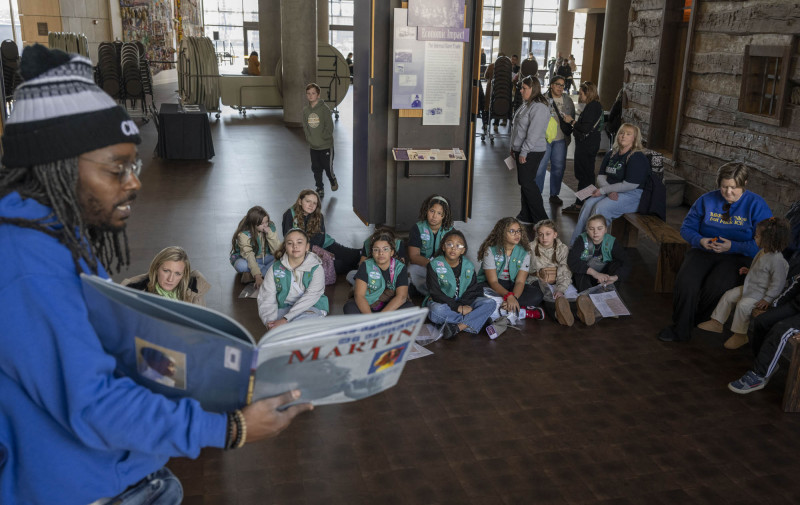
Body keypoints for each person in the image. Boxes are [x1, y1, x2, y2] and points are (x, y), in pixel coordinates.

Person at [0, 45, 311, 504]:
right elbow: (95, 404)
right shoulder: (28, 267)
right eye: (116, 169)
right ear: (57, 169)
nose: (135, 182)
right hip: (83, 488)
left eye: (135, 164)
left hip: (121, 469)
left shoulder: (54, 230)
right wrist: (230, 427)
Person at [658, 162, 773, 342]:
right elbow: (687, 228)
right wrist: (701, 240)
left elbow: (766, 243)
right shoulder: (706, 200)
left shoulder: (757, 205)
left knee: (717, 286)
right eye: (724, 187)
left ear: (745, 184)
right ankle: (680, 328)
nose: (728, 192)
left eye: (734, 188)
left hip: (738, 256)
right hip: (705, 250)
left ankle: (697, 320)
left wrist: (733, 246)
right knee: (686, 282)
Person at [698, 217, 789, 349]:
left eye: (757, 236)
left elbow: (778, 283)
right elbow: (760, 269)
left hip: (761, 294)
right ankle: (717, 321)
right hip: (750, 286)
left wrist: (768, 299)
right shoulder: (763, 252)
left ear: (770, 240)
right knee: (729, 295)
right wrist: (750, 271)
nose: (755, 238)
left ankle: (740, 335)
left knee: (743, 306)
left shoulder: (777, 261)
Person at [570, 123, 650, 244]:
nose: (623, 136)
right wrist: (608, 190)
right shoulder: (611, 154)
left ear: (634, 139)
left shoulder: (637, 157)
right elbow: (601, 178)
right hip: (612, 190)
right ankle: (576, 245)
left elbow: (630, 184)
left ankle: (593, 250)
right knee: (588, 205)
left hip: (632, 194)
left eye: (628, 134)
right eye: (622, 133)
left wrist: (603, 191)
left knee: (601, 208)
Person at [728, 259, 800, 393]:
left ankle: (759, 374)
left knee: (780, 329)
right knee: (762, 320)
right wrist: (775, 305)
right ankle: (764, 362)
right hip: (795, 305)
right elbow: (796, 285)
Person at [425, 230, 496, 339]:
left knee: (490, 303)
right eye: (449, 244)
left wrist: (463, 306)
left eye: (458, 245)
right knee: (435, 312)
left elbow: (472, 290)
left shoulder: (469, 266)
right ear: (443, 247)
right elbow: (435, 293)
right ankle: (477, 319)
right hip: (444, 303)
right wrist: (457, 307)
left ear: (463, 250)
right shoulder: (434, 265)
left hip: (466, 303)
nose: (453, 248)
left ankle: (458, 327)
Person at [257, 228, 328, 330]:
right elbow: (266, 297)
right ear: (285, 246)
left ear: (307, 247)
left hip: (311, 307)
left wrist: (286, 319)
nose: (295, 246)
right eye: (290, 243)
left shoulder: (316, 268)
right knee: (277, 326)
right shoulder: (275, 268)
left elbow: (311, 297)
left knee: (304, 323)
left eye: (300, 242)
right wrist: (270, 322)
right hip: (285, 308)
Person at [567, 214, 631, 325]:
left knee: (617, 263)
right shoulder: (582, 240)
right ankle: (588, 305)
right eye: (591, 229)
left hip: (604, 279)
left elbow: (627, 263)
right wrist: (595, 273)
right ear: (587, 230)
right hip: (587, 277)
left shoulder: (611, 242)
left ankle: (608, 299)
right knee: (579, 270)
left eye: (599, 228)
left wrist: (614, 277)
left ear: (606, 229)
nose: (595, 232)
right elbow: (572, 261)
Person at [282, 189, 360, 275]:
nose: (311, 205)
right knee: (337, 265)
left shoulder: (318, 216)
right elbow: (288, 237)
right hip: (302, 251)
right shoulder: (290, 214)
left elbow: (320, 238)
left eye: (314, 203)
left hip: (323, 244)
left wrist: (322, 251)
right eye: (308, 201)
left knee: (352, 256)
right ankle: (359, 268)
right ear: (300, 201)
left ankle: (364, 256)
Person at [476, 217, 544, 313]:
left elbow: (520, 282)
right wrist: (508, 296)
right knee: (476, 291)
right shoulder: (490, 250)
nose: (517, 234)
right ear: (502, 233)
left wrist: (514, 297)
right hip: (493, 284)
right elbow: (493, 281)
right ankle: (516, 308)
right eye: (512, 231)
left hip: (512, 284)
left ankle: (501, 305)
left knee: (537, 295)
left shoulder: (525, 252)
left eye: (518, 231)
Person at [510, 75, 550, 226]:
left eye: (524, 88)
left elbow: (533, 134)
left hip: (532, 151)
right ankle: (525, 215)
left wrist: (524, 151)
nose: (521, 91)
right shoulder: (527, 104)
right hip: (522, 149)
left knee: (527, 183)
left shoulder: (539, 107)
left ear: (533, 89)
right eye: (521, 88)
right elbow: (517, 128)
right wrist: (513, 148)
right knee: (525, 183)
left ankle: (541, 219)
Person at [344, 231, 415, 314]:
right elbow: (359, 295)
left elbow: (401, 296)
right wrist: (370, 317)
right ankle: (379, 323)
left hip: (390, 307)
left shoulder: (400, 267)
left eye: (385, 249)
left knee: (409, 308)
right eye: (376, 250)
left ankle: (375, 323)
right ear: (372, 253)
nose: (381, 253)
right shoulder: (366, 265)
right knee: (350, 307)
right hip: (369, 305)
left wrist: (381, 317)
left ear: (391, 252)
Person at [563, 82, 604, 215]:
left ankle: (580, 204)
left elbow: (585, 128)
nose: (580, 97)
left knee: (584, 175)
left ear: (588, 93)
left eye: (581, 94)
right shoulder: (594, 106)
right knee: (586, 174)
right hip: (589, 144)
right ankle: (585, 202)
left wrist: (571, 121)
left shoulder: (593, 107)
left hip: (586, 145)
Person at [122, 246, 211, 306]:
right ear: (156, 268)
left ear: (183, 275)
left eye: (177, 273)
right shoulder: (135, 292)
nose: (170, 279)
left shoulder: (195, 291)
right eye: (166, 271)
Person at [535, 75, 575, 206]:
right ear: (551, 85)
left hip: (560, 139)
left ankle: (554, 194)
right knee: (540, 167)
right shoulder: (542, 99)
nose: (560, 87)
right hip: (544, 139)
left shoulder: (568, 100)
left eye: (562, 85)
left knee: (558, 167)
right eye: (558, 84)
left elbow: (571, 119)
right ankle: (537, 194)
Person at [530, 220, 576, 326]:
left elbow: (565, 270)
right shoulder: (530, 248)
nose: (544, 238)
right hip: (538, 280)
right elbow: (527, 270)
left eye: (548, 234)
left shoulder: (562, 249)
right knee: (547, 296)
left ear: (555, 234)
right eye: (540, 234)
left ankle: (577, 312)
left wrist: (560, 289)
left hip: (557, 280)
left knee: (565, 295)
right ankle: (557, 314)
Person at [407, 194, 455, 295]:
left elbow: (454, 256)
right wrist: (432, 266)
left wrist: (442, 268)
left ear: (445, 215)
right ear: (426, 210)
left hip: (443, 267)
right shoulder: (417, 228)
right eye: (432, 211)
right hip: (422, 266)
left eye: (439, 213)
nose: (434, 216)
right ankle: (429, 293)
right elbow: (414, 256)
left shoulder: (450, 232)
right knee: (411, 271)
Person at [229, 205, 280, 288]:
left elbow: (277, 250)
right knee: (241, 265)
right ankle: (265, 274)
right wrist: (257, 276)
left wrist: (270, 235)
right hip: (248, 259)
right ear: (253, 224)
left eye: (266, 222)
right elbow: (249, 255)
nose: (265, 225)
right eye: (261, 224)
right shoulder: (243, 234)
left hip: (267, 257)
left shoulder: (270, 227)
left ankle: (251, 275)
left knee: (282, 259)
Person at [302, 83, 337, 199]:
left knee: (327, 168)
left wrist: (323, 137)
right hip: (314, 146)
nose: (310, 96)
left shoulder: (324, 109)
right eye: (308, 93)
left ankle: (332, 180)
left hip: (325, 146)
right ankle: (320, 187)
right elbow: (305, 126)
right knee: (316, 168)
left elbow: (329, 127)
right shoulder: (306, 110)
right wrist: (309, 138)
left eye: (313, 93)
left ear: (318, 95)